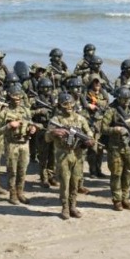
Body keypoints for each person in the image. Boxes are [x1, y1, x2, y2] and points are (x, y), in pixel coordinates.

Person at [45, 92, 95, 220]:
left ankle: (73, 206)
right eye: (65, 104)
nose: (68, 106)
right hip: (63, 154)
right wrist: (54, 132)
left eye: (71, 104)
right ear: (60, 106)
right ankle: (65, 207)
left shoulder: (80, 118)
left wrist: (90, 140)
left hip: (77, 154)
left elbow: (89, 133)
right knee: (64, 183)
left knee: (75, 182)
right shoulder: (56, 120)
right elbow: (47, 138)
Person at [101, 87, 130, 211]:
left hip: (128, 146)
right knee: (116, 174)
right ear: (119, 98)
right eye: (124, 99)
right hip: (115, 147)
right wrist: (116, 129)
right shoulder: (111, 111)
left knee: (128, 173)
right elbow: (103, 129)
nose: (127, 101)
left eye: (129, 98)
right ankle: (117, 200)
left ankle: (125, 198)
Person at [0, 85, 38, 205]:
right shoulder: (4, 111)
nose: (17, 100)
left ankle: (20, 192)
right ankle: (12, 194)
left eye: (19, 98)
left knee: (22, 170)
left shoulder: (25, 109)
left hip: (24, 143)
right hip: (11, 144)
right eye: (15, 98)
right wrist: (10, 125)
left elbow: (30, 122)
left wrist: (32, 128)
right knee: (12, 171)